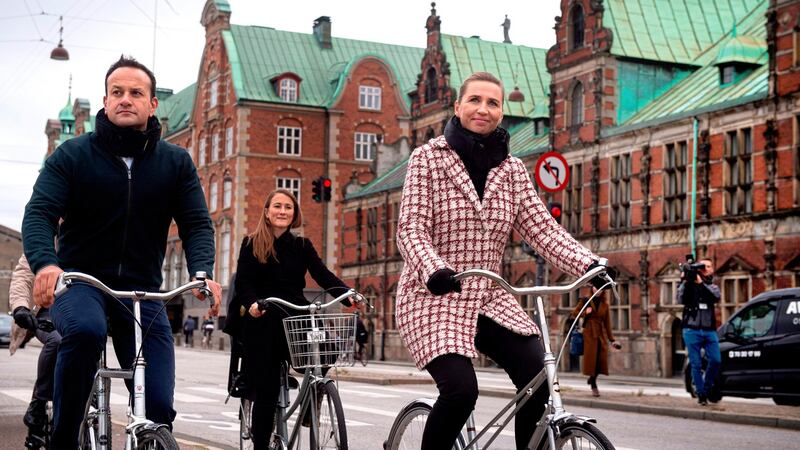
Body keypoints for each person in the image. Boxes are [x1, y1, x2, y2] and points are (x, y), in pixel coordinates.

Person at [395, 71, 614, 450]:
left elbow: (542, 230)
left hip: (490, 297)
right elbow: (411, 228)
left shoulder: (512, 169)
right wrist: (433, 270)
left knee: (539, 380)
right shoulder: (427, 158)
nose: (483, 109)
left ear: (502, 112)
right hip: (433, 297)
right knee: (461, 391)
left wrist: (590, 264)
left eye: (493, 103)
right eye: (475, 100)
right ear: (458, 106)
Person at [21, 55, 222, 448]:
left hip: (142, 291)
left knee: (159, 401)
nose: (125, 99)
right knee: (85, 332)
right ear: (106, 100)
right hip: (80, 282)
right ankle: (63, 437)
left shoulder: (175, 162)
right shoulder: (72, 155)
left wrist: (202, 272)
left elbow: (197, 223)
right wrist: (46, 263)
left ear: (152, 103)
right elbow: (40, 213)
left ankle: (150, 435)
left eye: (135, 92)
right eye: (117, 92)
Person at [234, 189, 353, 449]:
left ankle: (314, 399)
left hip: (296, 315)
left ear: (294, 214)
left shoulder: (301, 245)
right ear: (267, 212)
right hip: (264, 317)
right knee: (267, 393)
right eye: (277, 206)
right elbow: (243, 282)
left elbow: (322, 274)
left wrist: (347, 294)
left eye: (288, 207)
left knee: (328, 348)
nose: (283, 211)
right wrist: (252, 304)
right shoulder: (251, 243)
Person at [9, 254, 62, 448]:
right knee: (57, 341)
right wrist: (20, 307)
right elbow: (23, 276)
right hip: (47, 312)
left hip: (83, 309)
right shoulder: (45, 237)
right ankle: (38, 404)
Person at [677, 258, 721, 406]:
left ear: (712, 269)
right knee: (695, 364)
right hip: (691, 330)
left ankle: (706, 388)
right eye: (703, 266)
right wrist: (685, 281)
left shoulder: (713, 287)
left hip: (709, 330)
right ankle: (701, 394)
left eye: (708, 266)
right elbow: (680, 299)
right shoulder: (688, 285)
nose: (705, 268)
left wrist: (701, 283)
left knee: (715, 360)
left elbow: (715, 297)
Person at [570, 295, 621, 397]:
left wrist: (612, 340)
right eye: (594, 287)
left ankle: (592, 378)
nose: (596, 289)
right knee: (592, 360)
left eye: (598, 287)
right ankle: (594, 386)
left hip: (600, 334)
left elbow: (607, 324)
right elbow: (574, 313)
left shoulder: (605, 304)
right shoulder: (585, 300)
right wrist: (585, 313)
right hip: (589, 334)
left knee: (601, 360)